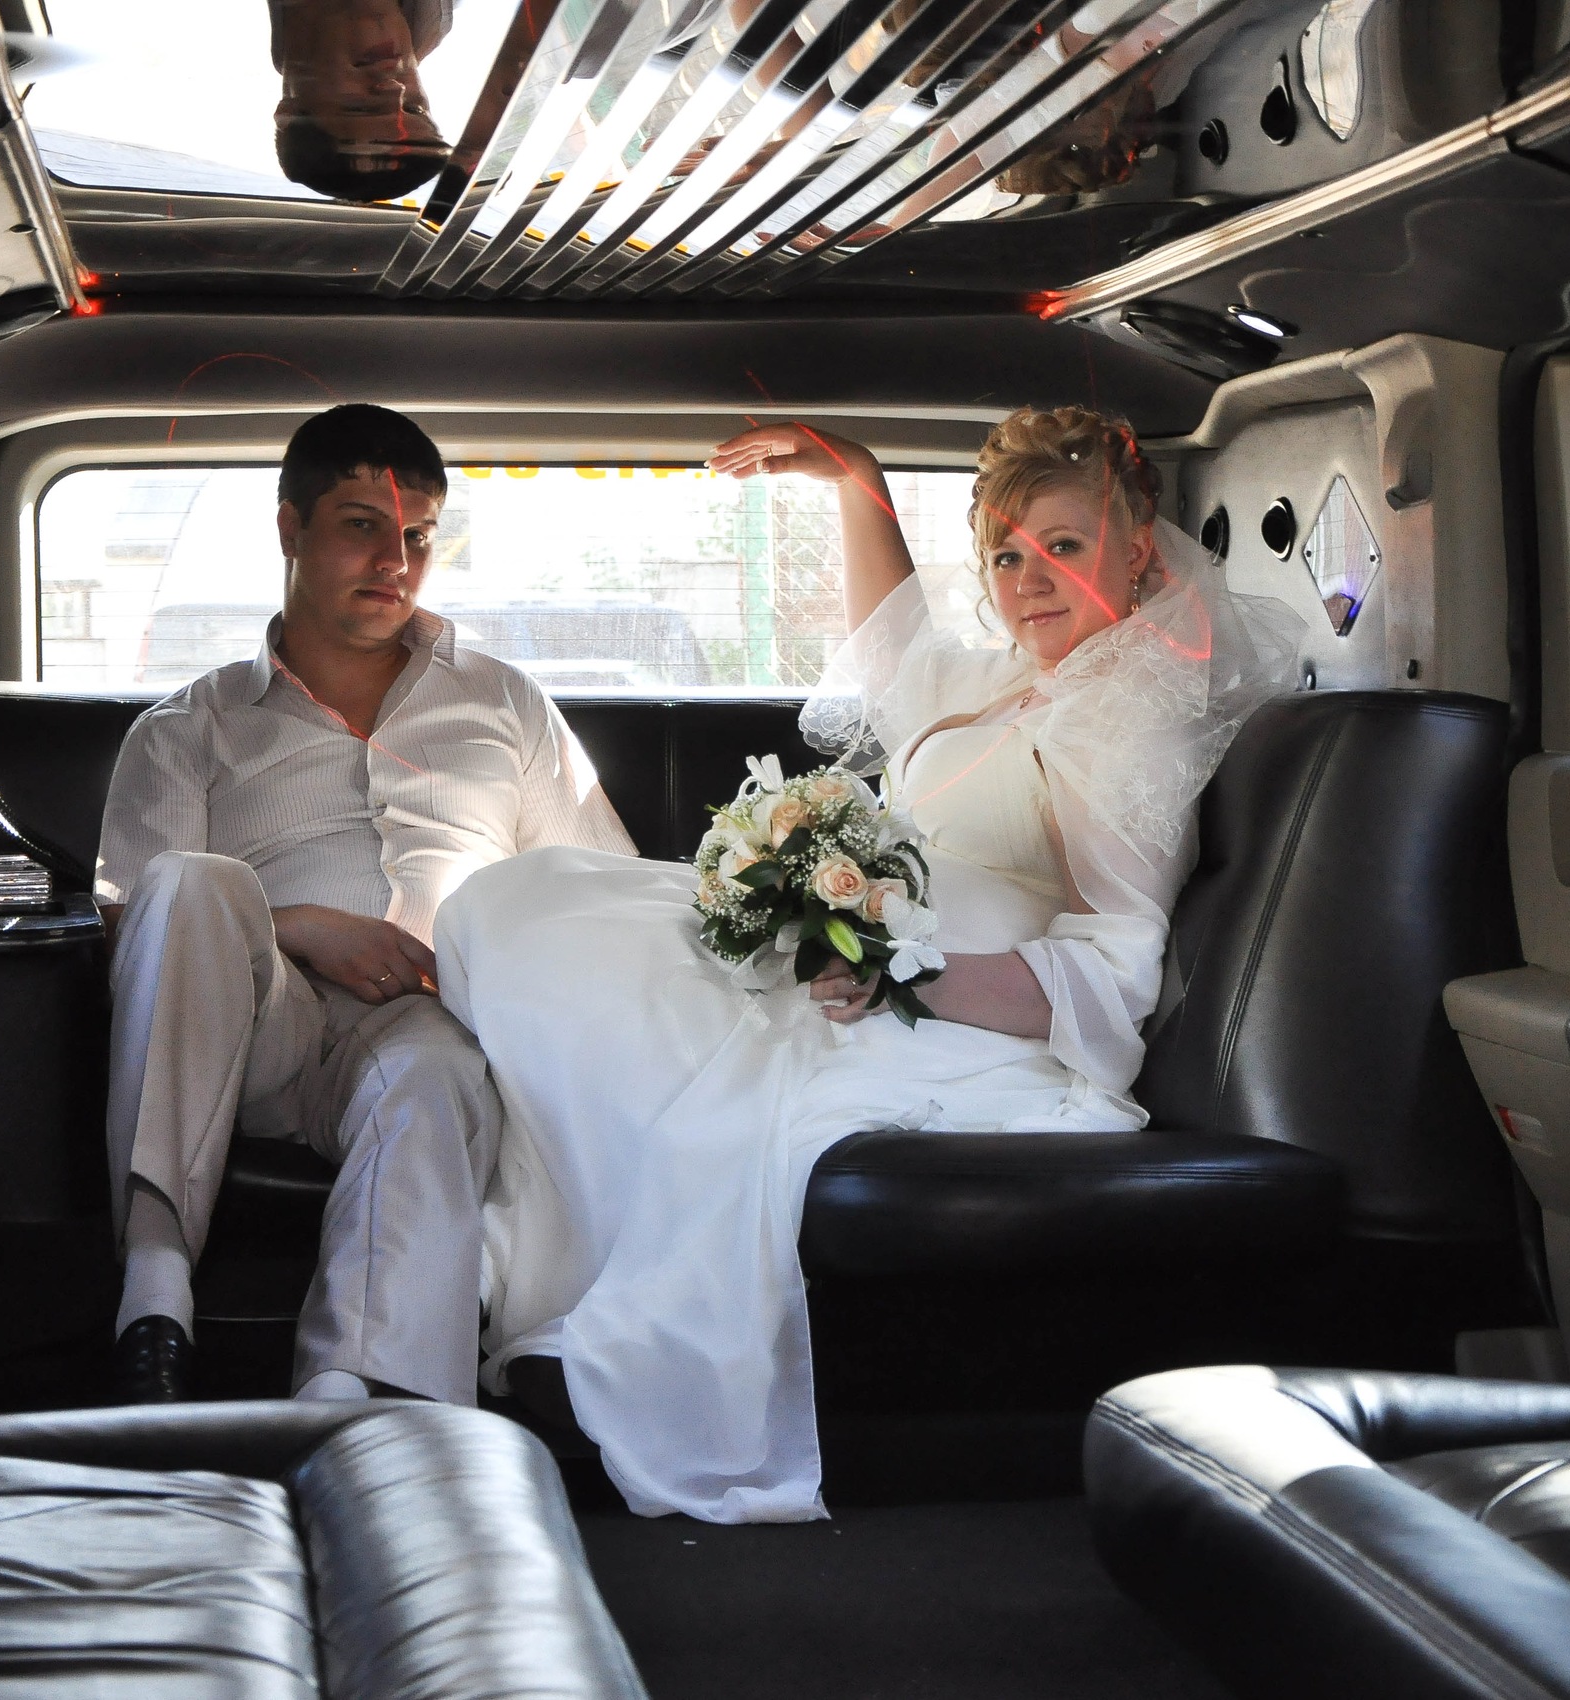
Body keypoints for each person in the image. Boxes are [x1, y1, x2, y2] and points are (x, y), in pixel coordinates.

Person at [434, 406, 1300, 1520]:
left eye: (1063, 544)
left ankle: (617, 1344)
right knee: (528, 903)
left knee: (636, 998)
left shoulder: (1124, 717)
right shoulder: (1010, 678)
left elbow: (1117, 966)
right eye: (1004, 555)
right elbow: (897, 658)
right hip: (867, 963)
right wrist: (855, 476)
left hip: (967, 1017)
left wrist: (906, 974)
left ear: (1137, 549)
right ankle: (556, 1293)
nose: (1028, 580)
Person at [95, 402, 634, 1406]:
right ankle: (155, 1293)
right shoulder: (188, 726)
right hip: (250, 1028)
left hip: (424, 1019)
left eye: (418, 536)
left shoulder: (505, 702)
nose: (396, 561)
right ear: (290, 528)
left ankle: (357, 1399)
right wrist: (297, 928)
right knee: (191, 878)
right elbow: (141, 929)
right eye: (361, 525)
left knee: (436, 1067)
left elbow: (603, 890)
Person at [271, 0, 455, 203]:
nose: (395, 88)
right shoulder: (429, 23)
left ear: (289, 113)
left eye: (361, 109)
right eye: (414, 109)